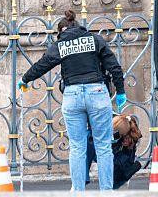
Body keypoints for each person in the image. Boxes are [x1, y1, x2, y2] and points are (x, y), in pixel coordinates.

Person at [18, 10, 126, 192]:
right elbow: (113, 66)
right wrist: (120, 90)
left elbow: (43, 64)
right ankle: (107, 193)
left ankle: (78, 192)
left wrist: (25, 79)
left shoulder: (61, 44)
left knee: (77, 147)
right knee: (103, 147)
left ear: (61, 32)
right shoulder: (94, 39)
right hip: (97, 92)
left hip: (73, 95)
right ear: (78, 26)